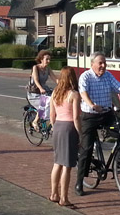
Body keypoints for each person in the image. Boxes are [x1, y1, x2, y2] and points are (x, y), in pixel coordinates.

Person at [75, 53, 120, 196]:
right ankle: (79, 182)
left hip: (107, 115)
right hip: (90, 116)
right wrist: (92, 105)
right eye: (100, 63)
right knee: (87, 148)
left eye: (104, 63)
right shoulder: (85, 77)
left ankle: (119, 159)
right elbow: (83, 93)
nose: (103, 66)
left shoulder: (108, 75)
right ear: (92, 64)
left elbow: (119, 87)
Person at [47, 67, 81, 209]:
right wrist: (80, 134)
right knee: (67, 166)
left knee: (57, 163)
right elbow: (76, 117)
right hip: (69, 128)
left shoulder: (55, 92)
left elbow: (51, 115)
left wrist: (54, 127)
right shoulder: (74, 95)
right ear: (73, 78)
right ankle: (64, 198)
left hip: (58, 127)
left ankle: (54, 194)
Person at [30, 50, 58, 129]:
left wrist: (63, 85)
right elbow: (36, 80)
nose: (48, 61)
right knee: (43, 104)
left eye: (49, 59)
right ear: (41, 59)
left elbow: (55, 79)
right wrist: (41, 88)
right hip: (35, 91)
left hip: (44, 90)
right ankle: (35, 121)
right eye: (47, 59)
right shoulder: (35, 67)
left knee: (56, 101)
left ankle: (51, 120)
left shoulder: (48, 69)